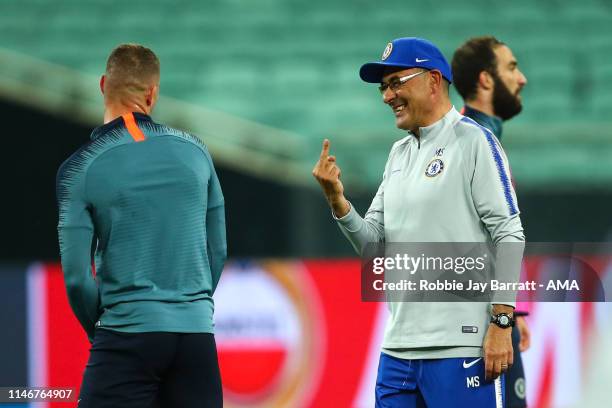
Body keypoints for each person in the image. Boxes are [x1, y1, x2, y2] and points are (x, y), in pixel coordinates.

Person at [313, 37, 525, 407]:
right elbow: (374, 248)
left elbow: (509, 232)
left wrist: (502, 322)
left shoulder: (474, 142)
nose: (386, 96)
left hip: (461, 348)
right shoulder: (399, 153)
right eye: (383, 87)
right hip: (397, 351)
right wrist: (339, 202)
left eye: (396, 82)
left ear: (432, 80)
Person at [56, 44, 226, 408]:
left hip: (126, 333)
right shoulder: (197, 152)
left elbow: (76, 278)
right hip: (196, 338)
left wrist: (101, 327)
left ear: (103, 85)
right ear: (153, 93)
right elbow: (218, 250)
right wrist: (191, 306)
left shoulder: (80, 168)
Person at [452, 36, 530, 408]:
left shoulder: (482, 137)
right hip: (477, 333)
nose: (522, 78)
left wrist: (512, 310)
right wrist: (499, 323)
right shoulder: (469, 142)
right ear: (486, 80)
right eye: (512, 67)